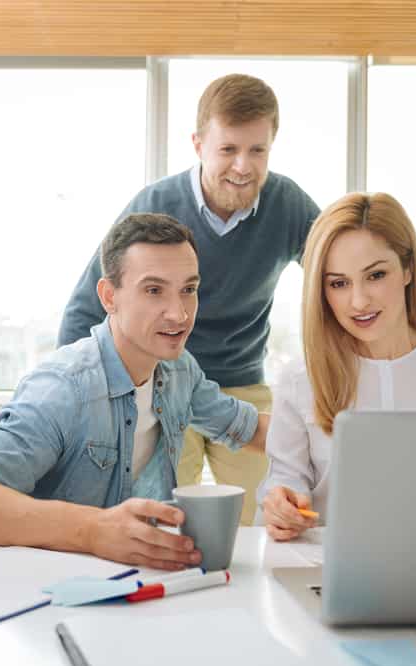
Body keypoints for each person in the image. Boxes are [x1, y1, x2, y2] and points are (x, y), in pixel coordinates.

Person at [0, 213, 268, 570]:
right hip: (50, 589)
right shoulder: (63, 388)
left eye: (188, 290)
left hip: (139, 583)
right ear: (108, 296)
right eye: (153, 290)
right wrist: (92, 529)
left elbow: (248, 427)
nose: (179, 315)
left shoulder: (179, 371)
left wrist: (318, 448)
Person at [58, 74, 319, 525]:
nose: (243, 165)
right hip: (164, 384)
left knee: (269, 517)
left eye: (257, 150)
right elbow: (88, 304)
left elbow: (335, 268)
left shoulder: (288, 204)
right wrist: (84, 396)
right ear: (198, 144)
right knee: (163, 522)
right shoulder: (155, 203)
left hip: (243, 383)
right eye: (228, 149)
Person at [257, 193, 416, 541]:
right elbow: (286, 477)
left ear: (407, 269)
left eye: (375, 275)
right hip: (327, 568)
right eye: (338, 283)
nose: (358, 301)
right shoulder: (300, 380)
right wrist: (281, 503)